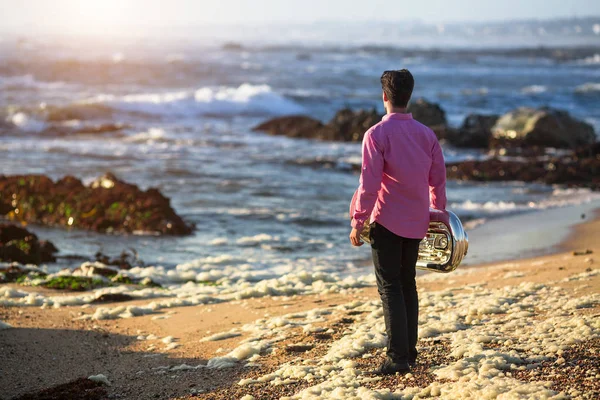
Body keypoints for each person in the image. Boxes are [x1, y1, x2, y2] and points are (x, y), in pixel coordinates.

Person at [349, 69, 447, 375]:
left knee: (390, 287)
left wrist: (358, 221)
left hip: (386, 222)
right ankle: (409, 351)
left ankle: (397, 358)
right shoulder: (426, 134)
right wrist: (438, 214)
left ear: (384, 97)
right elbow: (438, 181)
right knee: (407, 285)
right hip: (417, 222)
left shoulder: (376, 135)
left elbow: (369, 184)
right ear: (409, 96)